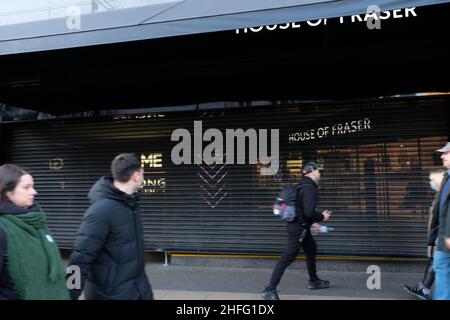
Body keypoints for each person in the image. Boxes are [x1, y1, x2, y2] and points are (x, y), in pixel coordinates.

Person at [68, 153, 153, 300]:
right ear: (136, 176)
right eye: (143, 174)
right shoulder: (100, 211)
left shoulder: (130, 204)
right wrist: (68, 295)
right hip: (111, 295)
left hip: (138, 290)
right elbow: (79, 260)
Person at [262, 162, 332, 300]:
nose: (320, 174)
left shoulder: (301, 185)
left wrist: (313, 223)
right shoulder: (309, 188)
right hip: (298, 229)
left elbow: (302, 210)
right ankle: (269, 290)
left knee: (311, 249)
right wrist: (322, 217)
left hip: (301, 226)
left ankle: (314, 280)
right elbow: (309, 212)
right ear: (312, 172)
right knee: (288, 257)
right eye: (318, 171)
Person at [0, 164, 69, 300]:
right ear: (7, 191)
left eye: (33, 186)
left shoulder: (36, 220)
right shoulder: (3, 228)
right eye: (26, 187)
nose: (34, 192)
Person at [403, 169, 445, 299]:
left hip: (443, 238)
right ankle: (424, 288)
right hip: (439, 237)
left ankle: (425, 289)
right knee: (436, 263)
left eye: (433, 180)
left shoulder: (444, 195)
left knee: (438, 264)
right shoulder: (440, 194)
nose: (430, 182)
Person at [430, 142, 450, 300]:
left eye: (446, 153)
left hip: (447, 236)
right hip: (442, 235)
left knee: (441, 268)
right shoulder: (447, 177)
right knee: (440, 268)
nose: (442, 156)